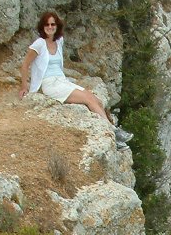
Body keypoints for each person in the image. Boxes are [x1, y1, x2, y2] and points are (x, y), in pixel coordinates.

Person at [19, 11, 131, 146]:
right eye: (46, 24)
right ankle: (114, 132)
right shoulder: (39, 44)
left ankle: (116, 137)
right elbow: (25, 65)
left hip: (62, 81)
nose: (50, 27)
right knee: (88, 99)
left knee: (96, 100)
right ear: (42, 27)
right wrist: (24, 87)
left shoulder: (59, 41)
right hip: (50, 84)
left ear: (57, 26)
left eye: (52, 24)